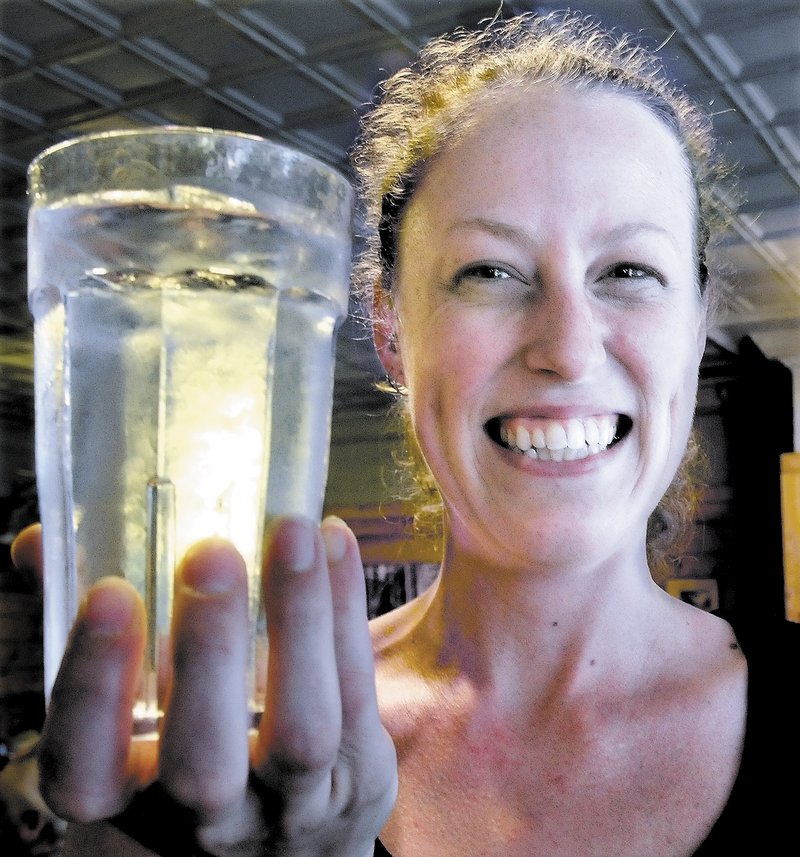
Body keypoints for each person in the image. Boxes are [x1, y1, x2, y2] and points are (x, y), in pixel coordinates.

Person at [10, 9, 800, 857]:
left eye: (630, 271)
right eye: (489, 271)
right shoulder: (227, 750)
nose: (568, 348)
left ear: (694, 324)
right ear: (389, 327)